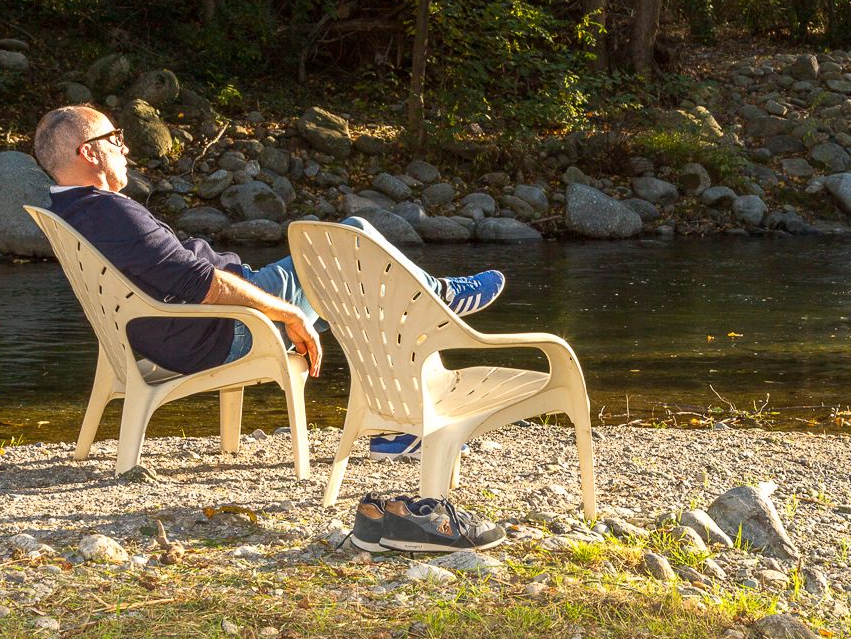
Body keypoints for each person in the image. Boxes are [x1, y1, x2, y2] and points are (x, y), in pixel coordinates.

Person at [31, 103, 505, 497]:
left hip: (178, 330)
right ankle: (435, 306)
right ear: (89, 152)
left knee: (357, 275)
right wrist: (287, 312)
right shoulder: (109, 212)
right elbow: (203, 283)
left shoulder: (71, 209)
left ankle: (411, 409)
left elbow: (189, 277)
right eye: (115, 139)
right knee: (351, 241)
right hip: (220, 329)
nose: (125, 147)